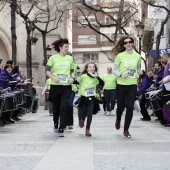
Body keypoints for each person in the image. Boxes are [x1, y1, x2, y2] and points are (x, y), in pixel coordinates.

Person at [112, 36, 141, 138]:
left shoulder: (137, 56)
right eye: (126, 43)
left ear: (133, 43)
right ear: (124, 45)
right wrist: (121, 75)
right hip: (121, 85)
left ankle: (126, 130)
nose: (128, 44)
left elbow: (138, 69)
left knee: (130, 106)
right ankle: (118, 118)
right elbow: (113, 70)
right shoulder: (120, 56)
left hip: (132, 84)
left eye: (130, 42)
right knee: (121, 106)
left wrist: (140, 72)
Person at [46, 38, 75, 137]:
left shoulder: (70, 58)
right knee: (56, 109)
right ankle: (55, 123)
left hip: (66, 87)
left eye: (68, 47)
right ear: (60, 47)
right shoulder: (53, 58)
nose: (67, 48)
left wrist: (72, 78)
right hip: (55, 87)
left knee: (64, 107)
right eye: (66, 47)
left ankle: (62, 128)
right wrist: (53, 77)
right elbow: (47, 71)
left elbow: (72, 71)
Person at [77, 62, 104, 136]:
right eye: (90, 67)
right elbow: (76, 81)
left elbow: (102, 83)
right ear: (87, 68)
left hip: (92, 98)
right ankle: (82, 119)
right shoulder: (83, 76)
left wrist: (97, 77)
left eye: (93, 67)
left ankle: (87, 130)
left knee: (90, 114)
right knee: (84, 113)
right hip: (84, 98)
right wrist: (77, 86)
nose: (92, 68)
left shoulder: (95, 77)